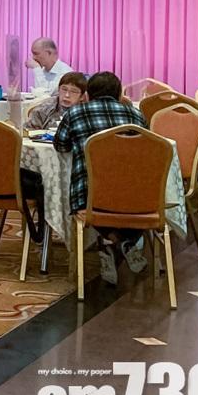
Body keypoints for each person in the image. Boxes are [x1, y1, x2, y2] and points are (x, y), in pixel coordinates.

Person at [53, 70, 147, 285]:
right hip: (135, 196)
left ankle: (109, 241)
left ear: (87, 94)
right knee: (133, 205)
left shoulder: (75, 114)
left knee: (89, 199)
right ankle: (126, 242)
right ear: (119, 94)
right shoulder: (135, 115)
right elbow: (147, 148)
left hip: (90, 195)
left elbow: (61, 145)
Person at [24, 71, 89, 130]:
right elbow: (28, 131)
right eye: (64, 89)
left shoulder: (87, 111)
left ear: (82, 96)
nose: (67, 95)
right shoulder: (45, 108)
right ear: (58, 90)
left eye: (73, 91)